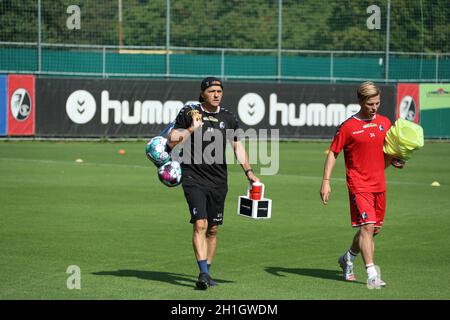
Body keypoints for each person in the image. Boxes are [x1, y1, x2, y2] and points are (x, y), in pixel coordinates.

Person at [168, 77, 259, 290]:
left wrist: (249, 172)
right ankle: (203, 272)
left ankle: (207, 272)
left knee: (213, 228)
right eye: (212, 91)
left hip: (219, 180)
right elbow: (172, 140)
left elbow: (237, 146)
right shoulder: (189, 113)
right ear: (202, 94)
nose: (216, 94)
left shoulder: (228, 117)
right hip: (193, 177)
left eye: (219, 91)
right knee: (200, 223)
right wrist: (191, 129)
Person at [320, 81, 403, 289]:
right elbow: (333, 153)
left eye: (377, 103)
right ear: (360, 101)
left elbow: (389, 151)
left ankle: (348, 257)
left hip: (379, 184)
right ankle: (372, 274)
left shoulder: (385, 122)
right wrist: (326, 181)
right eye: (370, 104)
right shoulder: (348, 127)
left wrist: (396, 159)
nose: (375, 108)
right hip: (358, 185)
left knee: (373, 230)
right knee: (367, 227)